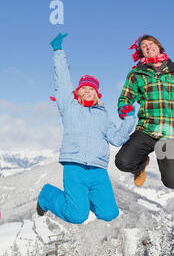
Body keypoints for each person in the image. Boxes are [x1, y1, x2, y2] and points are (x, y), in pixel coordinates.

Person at [36, 33, 136, 224]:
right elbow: (63, 81)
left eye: (91, 89)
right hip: (75, 167)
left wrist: (130, 119)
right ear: (77, 91)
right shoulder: (69, 107)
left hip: (98, 170)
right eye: (84, 88)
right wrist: (58, 51)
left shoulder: (103, 115)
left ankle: (81, 200)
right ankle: (47, 195)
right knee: (77, 216)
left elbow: (116, 138)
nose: (87, 90)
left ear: (97, 94)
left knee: (109, 214)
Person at [115, 34, 174, 189]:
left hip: (169, 133)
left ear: (159, 47)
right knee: (123, 162)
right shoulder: (136, 74)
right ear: (141, 52)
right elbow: (124, 98)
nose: (148, 47)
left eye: (151, 43)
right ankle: (140, 165)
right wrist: (123, 109)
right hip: (146, 129)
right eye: (143, 46)